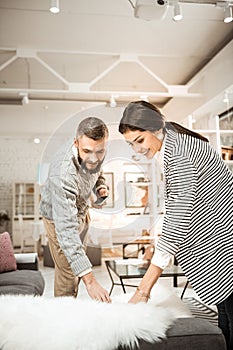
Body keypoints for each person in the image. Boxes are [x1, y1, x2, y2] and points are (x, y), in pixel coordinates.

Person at [118, 100, 233, 350]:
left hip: (226, 238)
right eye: (131, 144)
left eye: (139, 140)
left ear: (155, 128)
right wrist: (162, 220)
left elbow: (180, 215)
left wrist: (143, 290)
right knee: (224, 316)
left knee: (230, 315)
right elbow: (180, 198)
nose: (137, 149)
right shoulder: (171, 141)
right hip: (223, 237)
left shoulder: (178, 153)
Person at [40, 116, 111, 303]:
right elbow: (66, 231)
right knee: (69, 271)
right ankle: (64, 325)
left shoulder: (96, 150)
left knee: (77, 267)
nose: (94, 158)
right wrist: (91, 280)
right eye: (87, 151)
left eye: (100, 151)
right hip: (58, 218)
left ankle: (73, 312)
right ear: (76, 142)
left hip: (82, 211)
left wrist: (100, 187)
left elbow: (98, 173)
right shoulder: (62, 172)